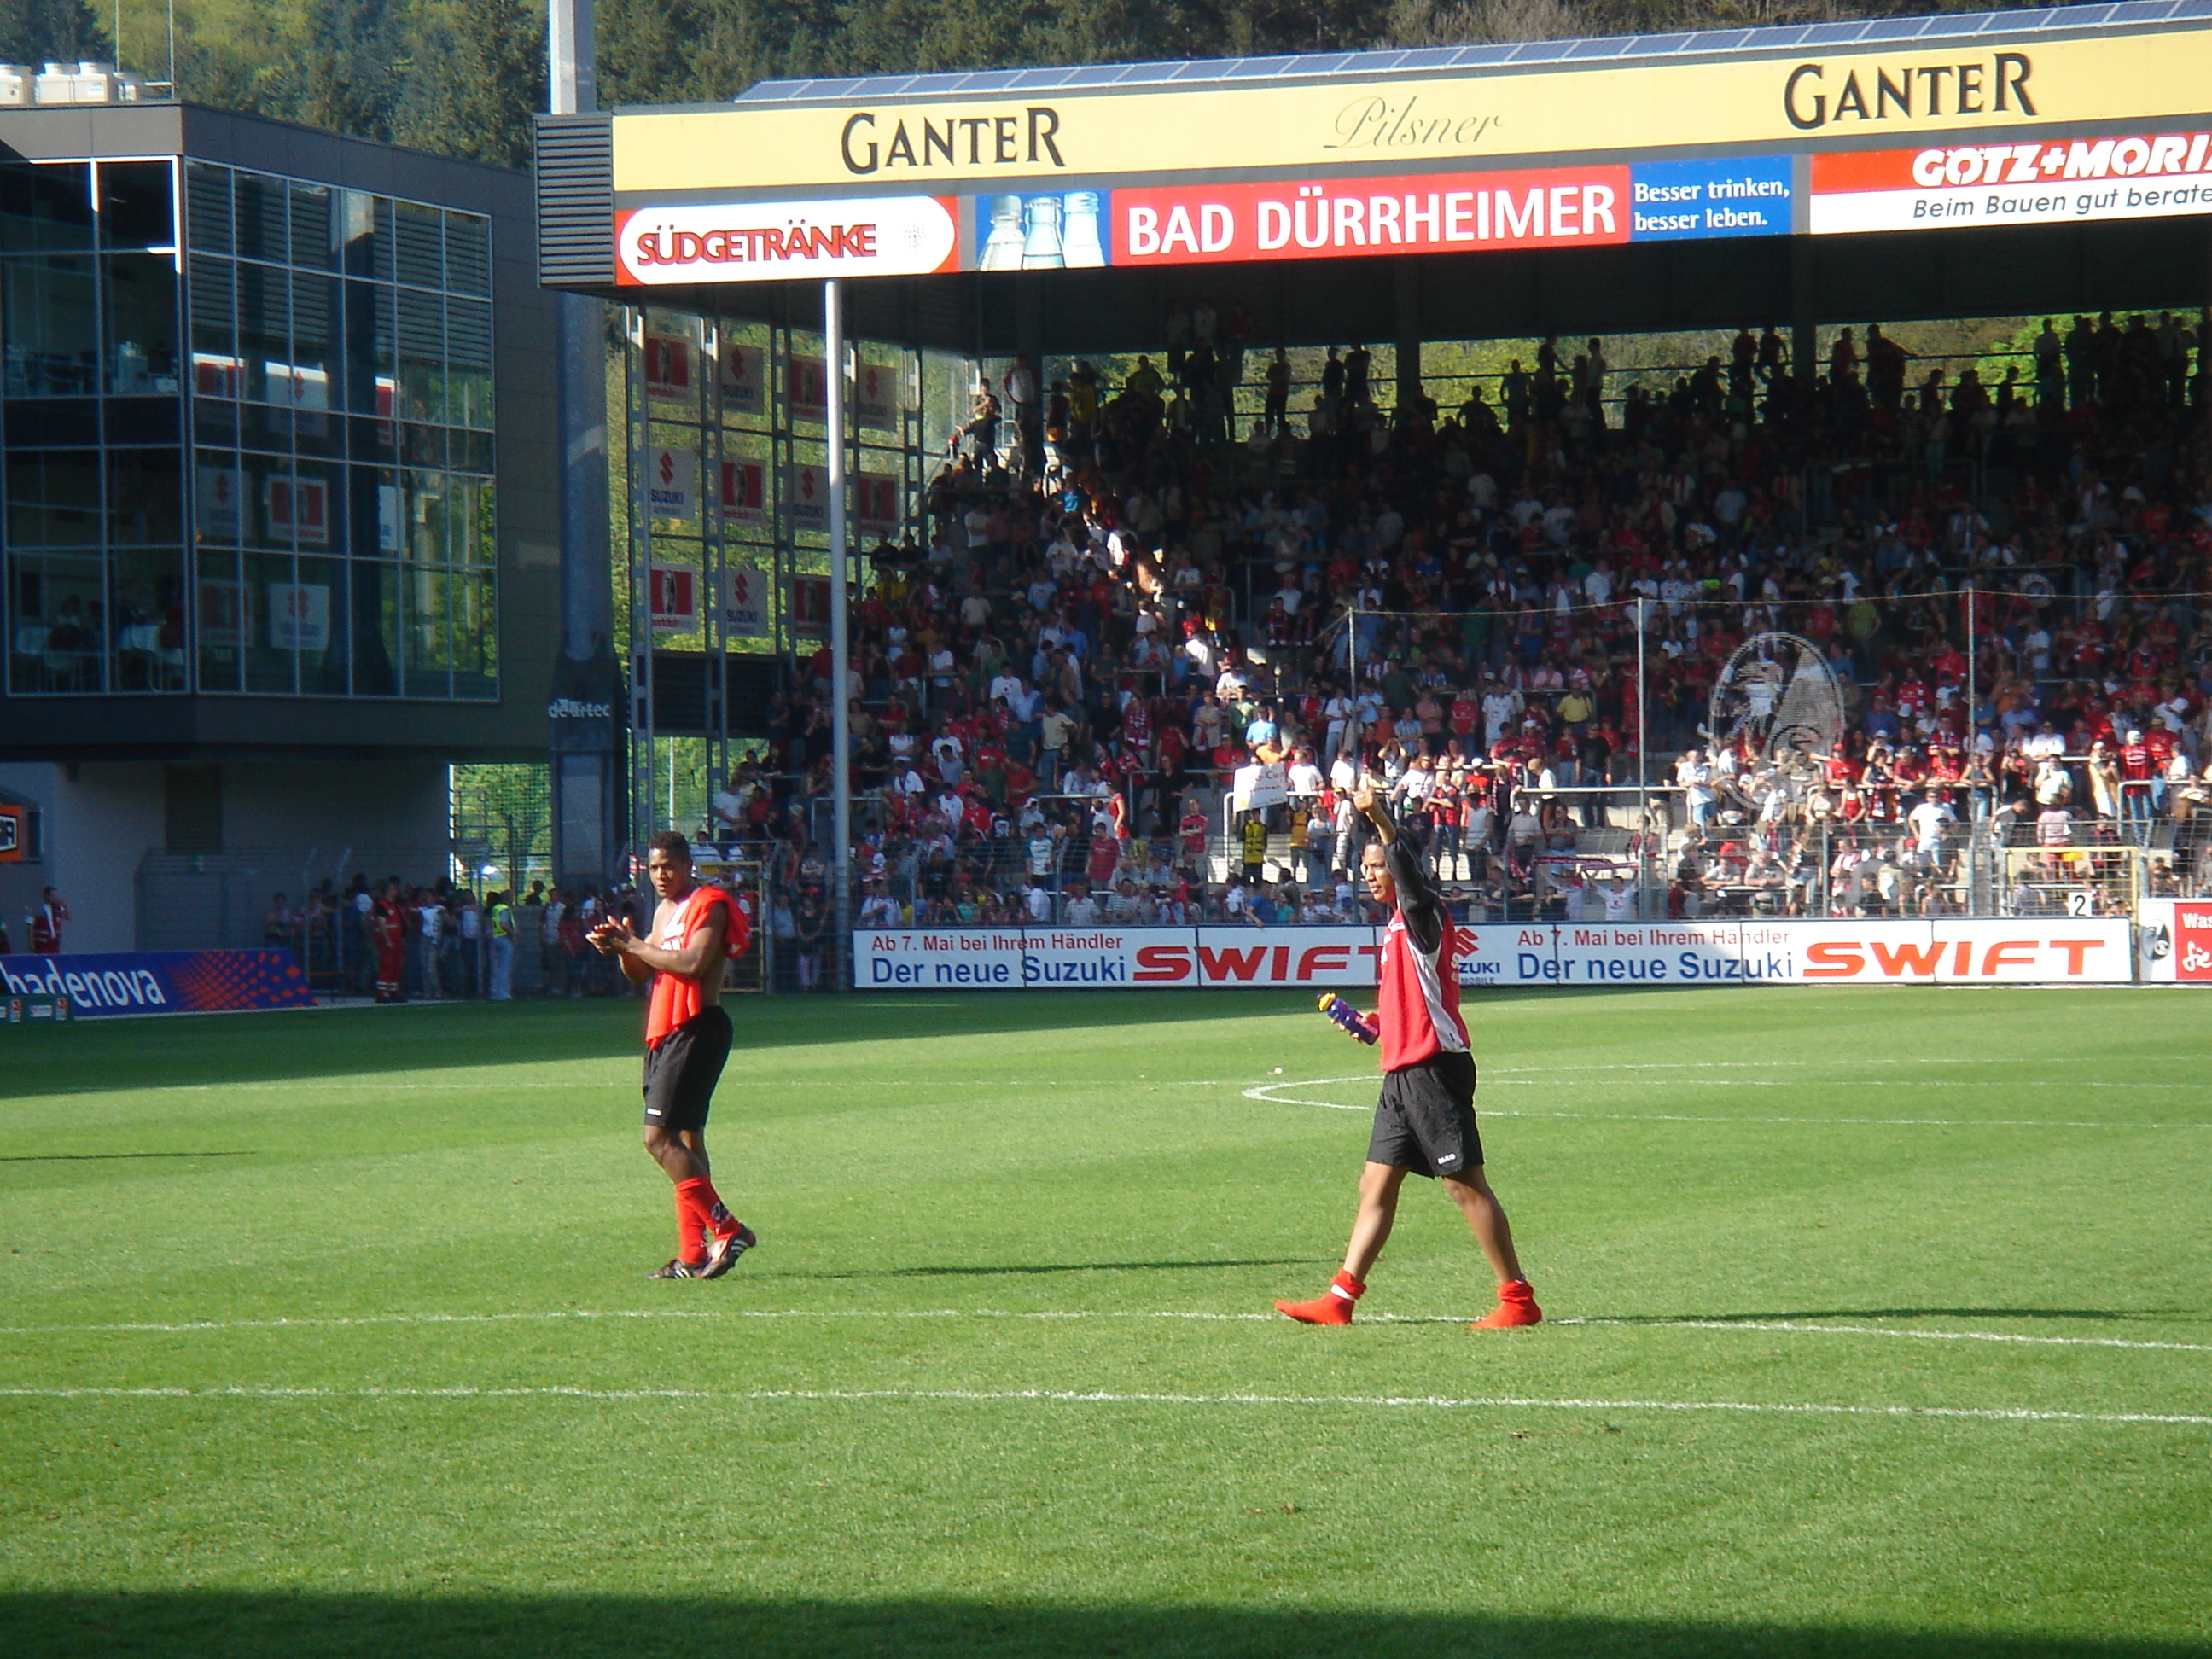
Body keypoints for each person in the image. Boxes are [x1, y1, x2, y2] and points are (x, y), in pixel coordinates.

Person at [1275, 779, 1540, 1331]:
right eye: (1366, 867)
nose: (1370, 874)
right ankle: (1340, 1300)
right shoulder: (1396, 927)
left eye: (1377, 866)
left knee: (1465, 1186)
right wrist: (1377, 1026)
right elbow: (1413, 1000)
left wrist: (1382, 820)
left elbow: (1410, 875)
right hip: (1403, 1068)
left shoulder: (1422, 914)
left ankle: (1518, 1300)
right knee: (1375, 1184)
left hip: (1433, 1069)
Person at [590, 830, 758, 1280]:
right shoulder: (664, 912)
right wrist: (620, 947)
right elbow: (641, 971)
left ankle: (728, 1228)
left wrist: (633, 946)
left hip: (697, 1027)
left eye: (668, 866)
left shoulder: (711, 903)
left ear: (687, 866)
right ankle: (692, 1254)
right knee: (685, 1140)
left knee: (657, 1139)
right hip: (666, 1031)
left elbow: (691, 964)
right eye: (653, 867)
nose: (660, 875)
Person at [28, 887, 68, 954]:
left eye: (55, 896)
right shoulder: (37, 908)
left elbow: (69, 917)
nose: (54, 898)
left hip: (54, 941)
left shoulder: (58, 908)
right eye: (52, 895)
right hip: (42, 942)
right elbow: (30, 926)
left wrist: (65, 907)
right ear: (46, 896)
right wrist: (31, 942)